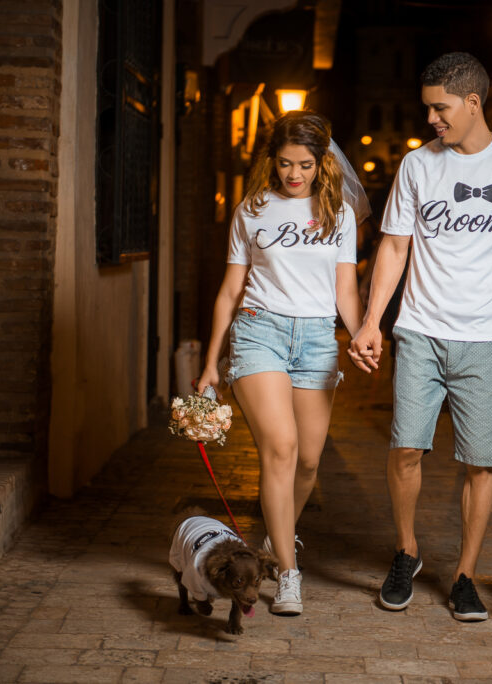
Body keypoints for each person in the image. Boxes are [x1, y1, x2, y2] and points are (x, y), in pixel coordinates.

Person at [348, 52, 492, 621]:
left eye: (440, 108)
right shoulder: (419, 166)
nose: (432, 119)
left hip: (489, 340)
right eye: (428, 109)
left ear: (473, 102)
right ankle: (406, 552)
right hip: (419, 329)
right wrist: (373, 321)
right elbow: (393, 246)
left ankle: (464, 574)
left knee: (482, 463)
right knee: (406, 447)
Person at [197, 110, 363, 616]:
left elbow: (346, 289)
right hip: (258, 331)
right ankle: (287, 574)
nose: (295, 175)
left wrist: (360, 335)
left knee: (309, 460)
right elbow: (229, 291)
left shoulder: (339, 214)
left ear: (323, 164)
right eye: (287, 164)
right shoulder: (252, 209)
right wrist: (210, 363)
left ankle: (278, 534)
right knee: (282, 446)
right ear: (272, 161)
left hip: (316, 338)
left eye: (306, 165)